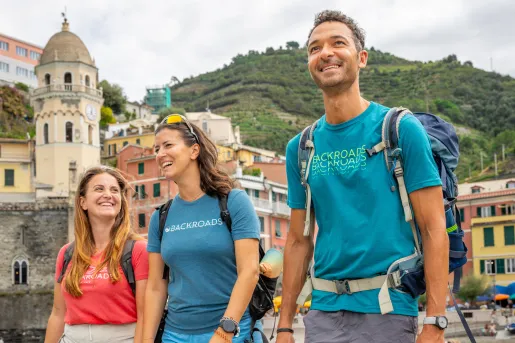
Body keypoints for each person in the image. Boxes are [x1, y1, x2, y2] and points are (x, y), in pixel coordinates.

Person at [276, 10, 449, 343]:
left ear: (362, 58)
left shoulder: (400, 129)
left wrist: (436, 320)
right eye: (314, 48)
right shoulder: (301, 148)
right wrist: (284, 325)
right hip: (323, 312)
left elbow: (433, 227)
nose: (325, 52)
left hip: (388, 308)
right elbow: (298, 241)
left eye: (337, 43)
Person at [142, 114, 263, 343]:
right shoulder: (161, 217)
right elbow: (156, 287)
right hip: (174, 335)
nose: (160, 154)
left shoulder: (234, 202)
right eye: (157, 148)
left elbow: (249, 271)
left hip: (228, 332)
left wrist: (224, 333)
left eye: (168, 145)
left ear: (194, 151)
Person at [44, 166, 149, 343]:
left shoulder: (138, 250)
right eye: (99, 189)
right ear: (83, 202)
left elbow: (146, 316)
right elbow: (57, 314)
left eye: (114, 190)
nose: (108, 194)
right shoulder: (67, 253)